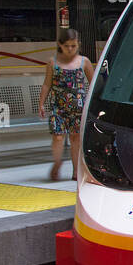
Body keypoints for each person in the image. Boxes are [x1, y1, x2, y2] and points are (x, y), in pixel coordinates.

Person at [39, 29, 95, 181]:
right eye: (67, 46)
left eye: (73, 46)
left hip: (79, 107)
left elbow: (93, 83)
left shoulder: (84, 62)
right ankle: (57, 163)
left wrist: (93, 104)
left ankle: (76, 170)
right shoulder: (53, 62)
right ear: (60, 45)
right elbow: (46, 84)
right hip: (58, 106)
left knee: (75, 138)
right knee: (57, 136)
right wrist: (41, 104)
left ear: (78, 45)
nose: (70, 49)